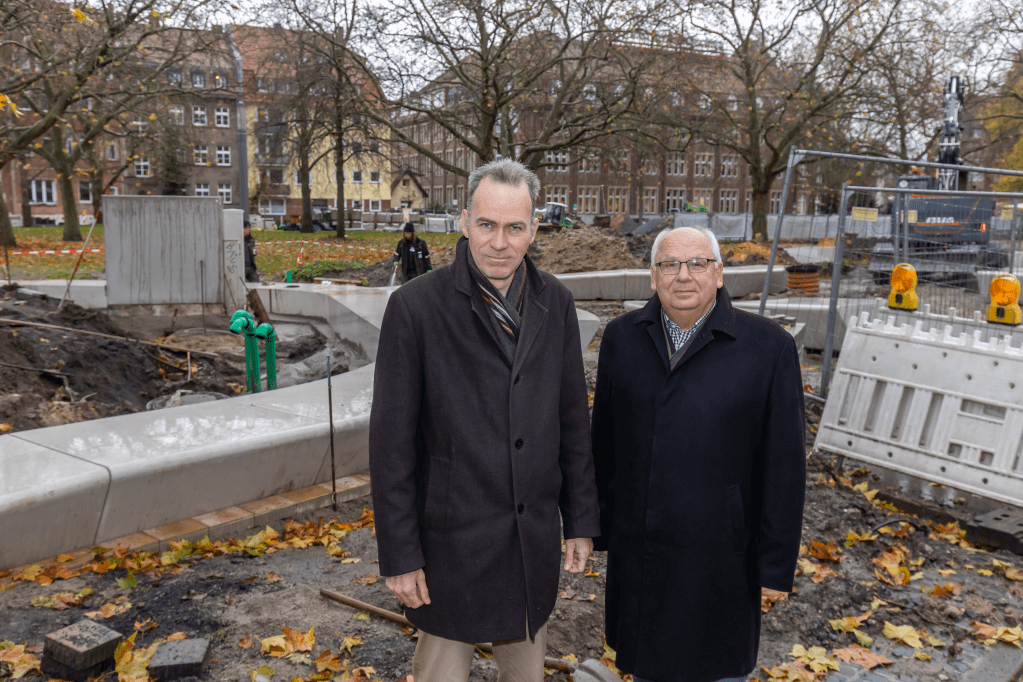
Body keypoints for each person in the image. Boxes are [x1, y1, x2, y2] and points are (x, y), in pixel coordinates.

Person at [369, 158, 600, 682]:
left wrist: (581, 519)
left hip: (528, 542)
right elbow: (391, 445)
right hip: (450, 546)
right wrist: (400, 555)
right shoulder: (416, 308)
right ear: (464, 222)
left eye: (515, 227)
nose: (499, 242)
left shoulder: (556, 303)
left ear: (534, 229)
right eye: (487, 225)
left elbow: (571, 420)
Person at [591, 226, 806, 682]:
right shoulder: (621, 338)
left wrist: (774, 565)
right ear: (653, 276)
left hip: (721, 557)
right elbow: (603, 444)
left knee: (717, 667)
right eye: (670, 264)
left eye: (698, 263)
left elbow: (784, 467)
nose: (684, 275)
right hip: (642, 549)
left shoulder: (768, 347)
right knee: (648, 666)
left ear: (719, 273)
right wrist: (598, 530)